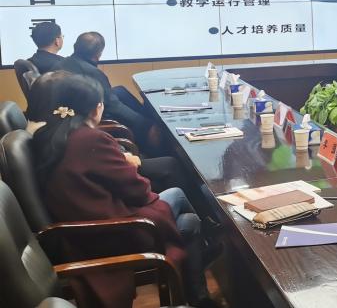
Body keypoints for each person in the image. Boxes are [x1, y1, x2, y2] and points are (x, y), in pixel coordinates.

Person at [31, 75, 217, 308]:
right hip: (108, 232)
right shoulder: (89, 139)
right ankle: (202, 273)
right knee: (183, 207)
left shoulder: (47, 135)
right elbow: (138, 190)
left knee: (187, 216)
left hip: (77, 231)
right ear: (95, 108)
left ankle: (200, 282)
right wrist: (129, 165)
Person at [26, 70, 187, 193]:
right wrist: (124, 158)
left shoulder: (44, 128)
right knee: (172, 175)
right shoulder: (77, 136)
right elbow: (127, 183)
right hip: (115, 201)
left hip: (102, 187)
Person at [56, 32, 161, 151]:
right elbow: (113, 107)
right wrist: (144, 124)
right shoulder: (92, 73)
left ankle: (148, 116)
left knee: (120, 91)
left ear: (75, 46)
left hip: (68, 112)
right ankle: (152, 145)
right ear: (98, 55)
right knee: (143, 124)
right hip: (87, 117)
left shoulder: (61, 64)